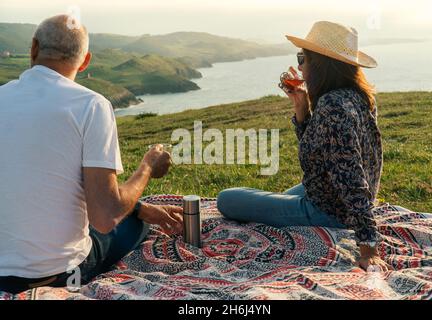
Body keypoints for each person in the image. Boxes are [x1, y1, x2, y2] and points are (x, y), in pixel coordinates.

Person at [0, 15, 183, 294]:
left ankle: (138, 209)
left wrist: (137, 206)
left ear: (33, 48)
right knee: (135, 225)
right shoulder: (91, 105)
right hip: (61, 273)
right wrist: (147, 166)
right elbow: (105, 216)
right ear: (85, 61)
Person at [217, 21, 392, 272]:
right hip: (327, 192)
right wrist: (302, 107)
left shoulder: (333, 106)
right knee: (270, 199)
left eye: (302, 58)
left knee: (227, 199)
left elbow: (351, 179)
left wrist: (368, 248)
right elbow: (319, 153)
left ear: (320, 64)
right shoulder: (359, 96)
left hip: (328, 209)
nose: (299, 65)